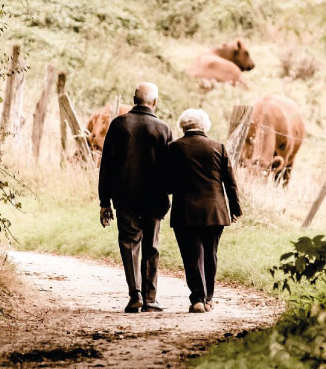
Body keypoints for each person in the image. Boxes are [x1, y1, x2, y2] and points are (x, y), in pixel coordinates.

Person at [98, 82, 173, 313]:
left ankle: (135, 295)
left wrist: (104, 202)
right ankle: (151, 299)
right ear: (155, 102)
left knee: (129, 244)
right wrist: (168, 193)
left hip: (125, 196)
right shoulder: (163, 128)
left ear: (134, 99)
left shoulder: (119, 125)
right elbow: (170, 169)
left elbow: (106, 166)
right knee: (151, 245)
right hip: (155, 198)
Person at [167, 109, 242, 313]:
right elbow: (230, 183)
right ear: (204, 126)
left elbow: (167, 183)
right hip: (215, 210)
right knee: (211, 254)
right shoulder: (218, 147)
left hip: (185, 211)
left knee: (191, 256)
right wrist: (235, 209)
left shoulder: (173, 148)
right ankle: (209, 298)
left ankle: (197, 299)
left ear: (183, 126)